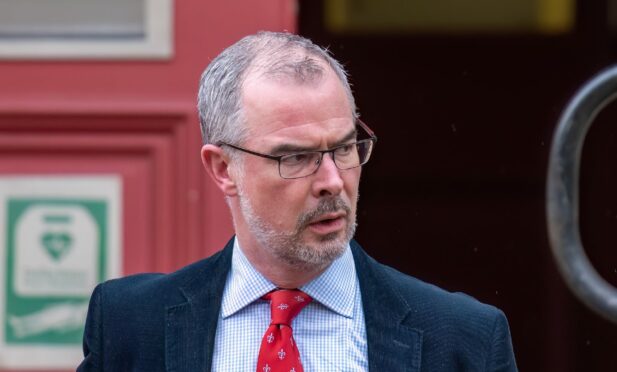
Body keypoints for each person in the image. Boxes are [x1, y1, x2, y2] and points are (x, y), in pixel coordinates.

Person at [77, 31, 517, 372]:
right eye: (296, 156)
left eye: (344, 148)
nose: (332, 181)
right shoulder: (129, 325)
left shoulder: (463, 339)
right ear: (223, 169)